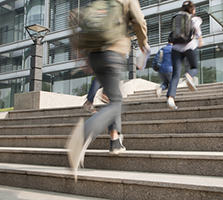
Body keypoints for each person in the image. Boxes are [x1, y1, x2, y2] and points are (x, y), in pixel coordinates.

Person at [66, 0, 148, 181]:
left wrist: (82, 52)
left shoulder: (100, 2)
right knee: (117, 103)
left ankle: (115, 141)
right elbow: (140, 21)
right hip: (113, 53)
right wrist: (143, 43)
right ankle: (84, 134)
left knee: (113, 98)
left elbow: (73, 16)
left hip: (94, 56)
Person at [166, 1, 204, 109]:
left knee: (175, 75)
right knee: (194, 67)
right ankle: (189, 75)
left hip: (176, 48)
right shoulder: (195, 18)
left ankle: (170, 98)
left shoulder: (177, 17)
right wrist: (200, 40)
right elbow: (197, 30)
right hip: (190, 46)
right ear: (192, 10)